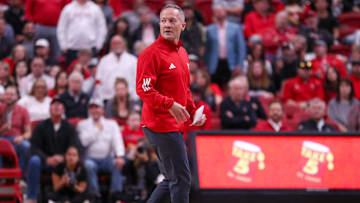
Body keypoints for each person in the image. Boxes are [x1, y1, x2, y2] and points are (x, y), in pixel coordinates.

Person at [136, 4, 206, 203]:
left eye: (172, 21)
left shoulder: (182, 54)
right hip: (159, 124)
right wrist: (169, 105)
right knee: (182, 179)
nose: (167, 25)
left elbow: (184, 89)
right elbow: (144, 89)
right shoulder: (150, 54)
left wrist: (193, 112)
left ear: (183, 25)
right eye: (163, 21)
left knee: (173, 178)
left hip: (172, 124)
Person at [26, 98, 82, 203]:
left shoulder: (70, 127)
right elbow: (34, 147)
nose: (56, 107)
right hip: (45, 161)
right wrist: (46, 158)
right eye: (54, 104)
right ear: (49, 109)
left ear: (64, 110)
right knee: (34, 160)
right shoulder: (41, 126)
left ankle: (73, 198)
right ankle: (31, 197)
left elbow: (74, 146)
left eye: (59, 105)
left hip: (64, 161)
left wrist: (63, 157)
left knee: (74, 160)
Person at [78, 98, 125, 200]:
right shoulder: (82, 124)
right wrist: (96, 130)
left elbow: (117, 141)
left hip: (107, 159)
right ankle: (95, 195)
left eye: (97, 107)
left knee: (118, 163)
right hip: (90, 158)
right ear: (89, 110)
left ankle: (115, 195)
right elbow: (82, 143)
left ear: (103, 110)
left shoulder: (111, 124)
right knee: (88, 165)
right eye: (92, 108)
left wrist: (120, 156)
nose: (95, 110)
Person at [204, 4, 246, 89]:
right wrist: (206, 64)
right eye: (217, 11)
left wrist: (239, 64)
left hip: (231, 63)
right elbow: (207, 50)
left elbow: (241, 48)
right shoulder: (209, 29)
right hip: (215, 63)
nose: (219, 13)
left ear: (225, 12)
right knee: (215, 87)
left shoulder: (235, 28)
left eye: (221, 10)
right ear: (214, 13)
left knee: (231, 88)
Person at [57, 0, 107, 66]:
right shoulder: (68, 8)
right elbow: (61, 27)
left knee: (91, 71)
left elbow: (102, 27)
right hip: (72, 48)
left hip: (91, 48)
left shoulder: (95, 9)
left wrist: (98, 45)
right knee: (72, 71)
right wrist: (63, 45)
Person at [0, 85, 31, 179]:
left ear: (17, 97)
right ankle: (1, 177)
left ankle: (19, 178)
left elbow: (29, 132)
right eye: (7, 94)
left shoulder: (23, 110)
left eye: (12, 94)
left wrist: (22, 137)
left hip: (16, 139)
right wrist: (2, 130)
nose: (9, 97)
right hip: (1, 139)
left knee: (26, 146)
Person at [96, 35, 138, 102]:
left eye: (119, 43)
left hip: (130, 98)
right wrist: (101, 97)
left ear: (124, 45)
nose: (117, 45)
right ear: (111, 46)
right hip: (108, 98)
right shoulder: (104, 61)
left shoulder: (133, 60)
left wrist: (136, 97)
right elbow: (98, 80)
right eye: (114, 43)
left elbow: (138, 79)